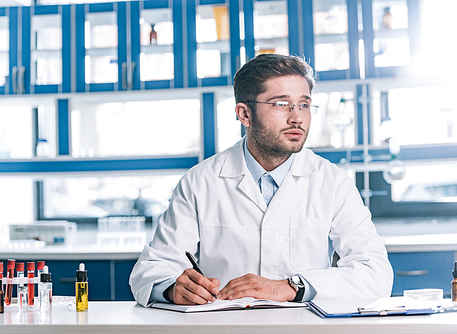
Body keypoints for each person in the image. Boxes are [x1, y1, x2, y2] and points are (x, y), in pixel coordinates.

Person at [129, 54, 393, 307]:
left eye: (304, 104)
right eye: (280, 104)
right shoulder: (200, 182)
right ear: (244, 114)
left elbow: (376, 274)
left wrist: (290, 287)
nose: (297, 117)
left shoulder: (332, 182)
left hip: (301, 330)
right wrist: (173, 289)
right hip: (223, 329)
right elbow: (151, 270)